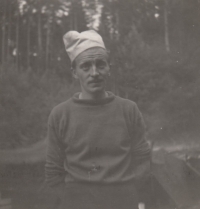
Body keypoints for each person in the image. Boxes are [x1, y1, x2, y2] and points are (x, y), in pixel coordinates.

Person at [45, 30, 151, 209]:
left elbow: (142, 159)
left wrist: (131, 195)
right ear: (74, 72)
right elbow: (53, 171)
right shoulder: (60, 114)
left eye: (100, 64)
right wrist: (71, 201)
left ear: (109, 67)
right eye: (85, 66)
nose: (94, 73)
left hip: (123, 201)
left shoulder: (128, 109)